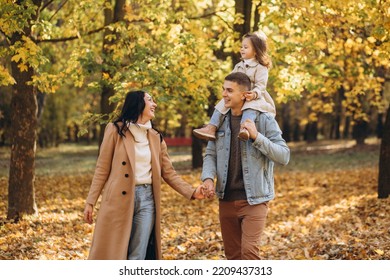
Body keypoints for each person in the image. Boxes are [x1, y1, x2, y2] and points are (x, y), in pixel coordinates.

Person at [83, 90, 204, 260]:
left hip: (147, 200)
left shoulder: (155, 137)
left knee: (138, 254)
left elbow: (168, 173)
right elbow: (102, 168)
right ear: (138, 104)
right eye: (150, 100)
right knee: (115, 254)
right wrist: (90, 202)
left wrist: (192, 192)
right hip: (118, 200)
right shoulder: (115, 130)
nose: (154, 104)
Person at [201, 72, 290, 260]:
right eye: (223, 89)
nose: (224, 94)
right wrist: (208, 178)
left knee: (249, 253)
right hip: (226, 199)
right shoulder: (220, 121)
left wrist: (257, 137)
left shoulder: (264, 119)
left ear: (244, 94)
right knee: (233, 257)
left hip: (255, 199)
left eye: (229, 90)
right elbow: (211, 154)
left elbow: (284, 156)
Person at [193, 31, 276, 141]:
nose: (242, 49)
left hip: (253, 97)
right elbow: (231, 80)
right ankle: (211, 128)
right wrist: (229, 91)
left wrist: (254, 94)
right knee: (222, 103)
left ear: (255, 50)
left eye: (246, 47)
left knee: (250, 107)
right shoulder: (239, 66)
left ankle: (245, 129)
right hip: (238, 94)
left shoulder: (260, 67)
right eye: (241, 47)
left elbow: (261, 85)